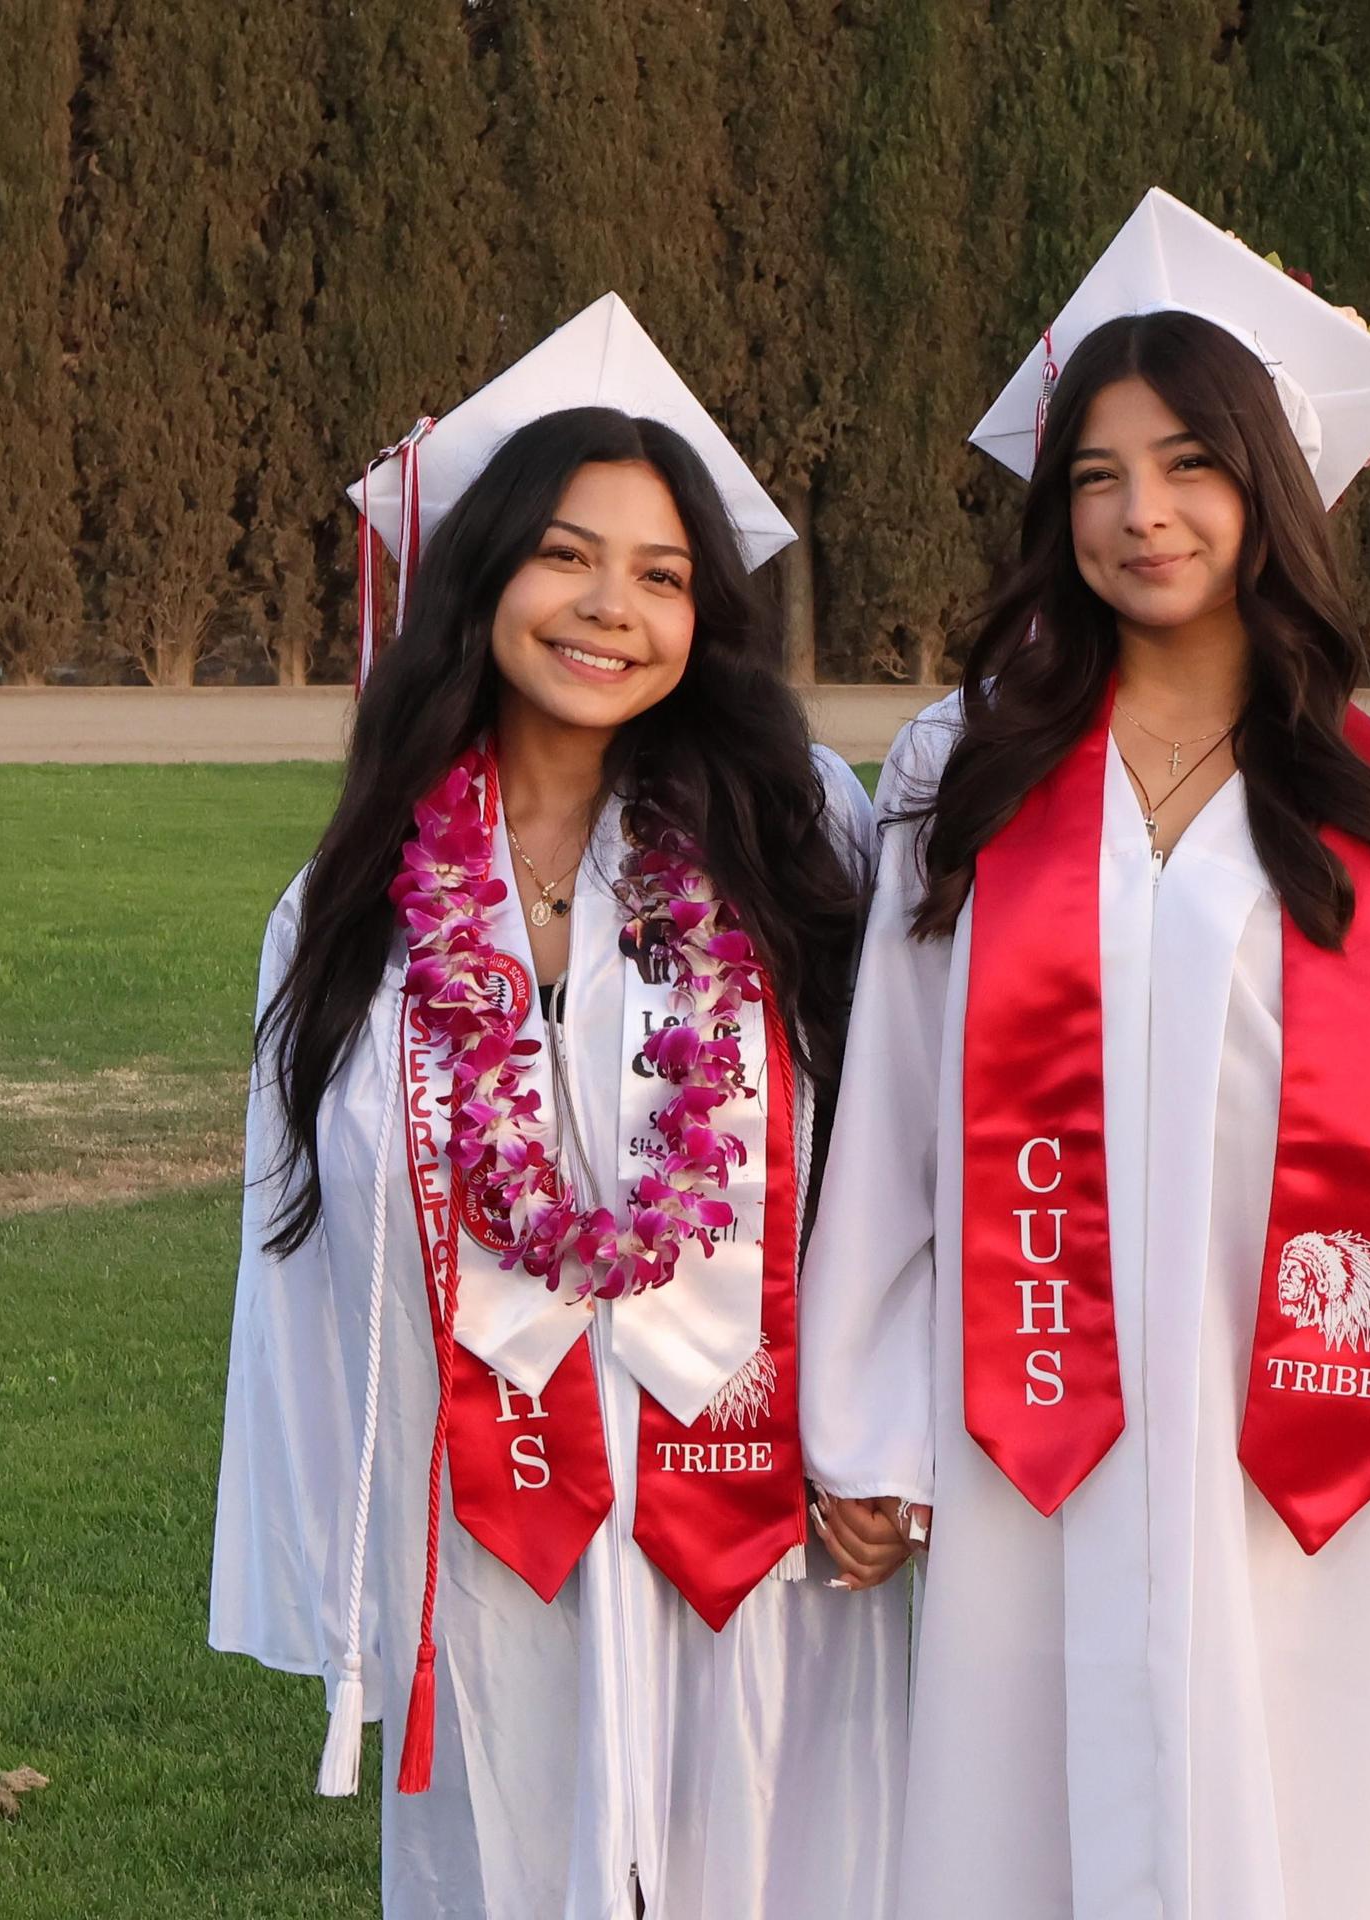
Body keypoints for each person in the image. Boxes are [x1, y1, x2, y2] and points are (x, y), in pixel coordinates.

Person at [799, 189, 1370, 1920]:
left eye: (1188, 466)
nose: (1140, 513)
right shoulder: (966, 778)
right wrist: (861, 1419)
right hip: (1035, 1414)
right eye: (1094, 475)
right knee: (1019, 1829)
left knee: (1290, 1828)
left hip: (1303, 1435)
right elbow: (896, 1119)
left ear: (1270, 493)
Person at [212, 295, 906, 1919]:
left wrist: (883, 1433)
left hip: (752, 1513)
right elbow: (308, 1254)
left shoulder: (795, 835)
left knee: (770, 1859)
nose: (612, 609)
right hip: (492, 1513)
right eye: (567, 558)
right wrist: (352, 1554)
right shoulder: (357, 903)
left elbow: (893, 1152)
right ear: (482, 581)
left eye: (663, 575)